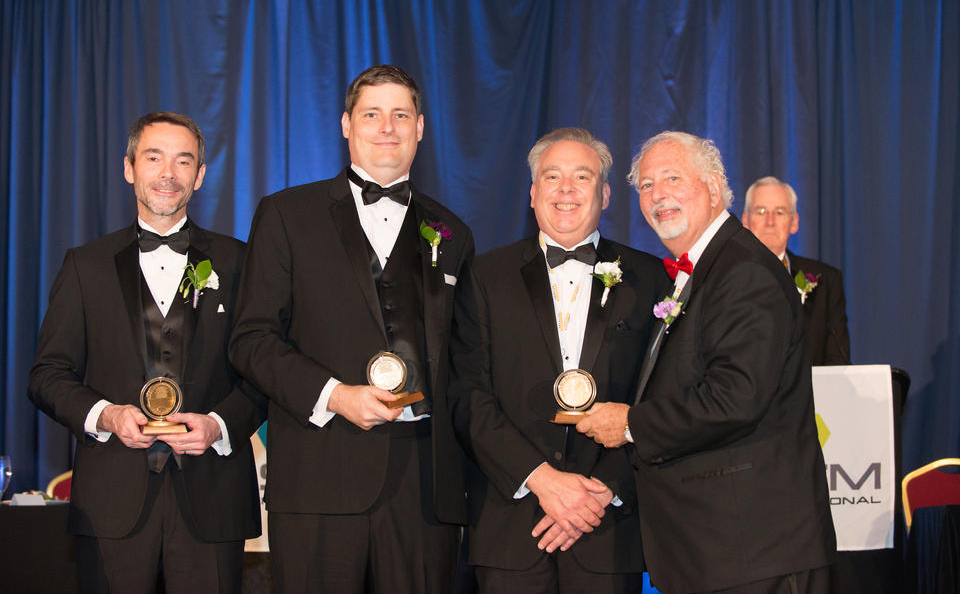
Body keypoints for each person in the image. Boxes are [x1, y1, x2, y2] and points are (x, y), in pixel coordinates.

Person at [229, 64, 474, 594]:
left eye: (400, 115)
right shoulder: (286, 215)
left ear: (421, 128)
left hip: (424, 488)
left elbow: (466, 361)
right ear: (345, 124)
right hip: (319, 476)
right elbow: (250, 340)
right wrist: (335, 396)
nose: (387, 127)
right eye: (372, 114)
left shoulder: (453, 234)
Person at [577, 131, 836, 594]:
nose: (658, 195)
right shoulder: (702, 271)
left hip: (753, 551)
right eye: (647, 186)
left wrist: (631, 423)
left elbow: (735, 398)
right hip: (714, 550)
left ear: (715, 188)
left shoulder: (745, 272)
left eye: (673, 178)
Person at [29, 111, 266, 594]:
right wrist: (107, 415)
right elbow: (48, 375)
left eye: (184, 161)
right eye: (154, 158)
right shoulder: (85, 265)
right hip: (111, 501)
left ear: (199, 175)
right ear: (128, 167)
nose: (168, 174)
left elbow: (265, 369)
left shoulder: (242, 262)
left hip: (213, 496)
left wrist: (220, 426)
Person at [448, 128, 669, 593]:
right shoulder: (485, 276)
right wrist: (544, 481)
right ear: (532, 193)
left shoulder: (650, 278)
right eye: (552, 176)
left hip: (607, 524)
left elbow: (661, 395)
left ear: (605, 193)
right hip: (511, 526)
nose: (566, 189)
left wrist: (600, 492)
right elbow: (468, 393)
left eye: (582, 176)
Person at [741, 176, 851, 365]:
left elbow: (837, 360)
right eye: (760, 211)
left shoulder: (826, 281)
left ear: (794, 222)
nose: (770, 221)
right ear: (745, 220)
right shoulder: (722, 276)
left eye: (780, 212)